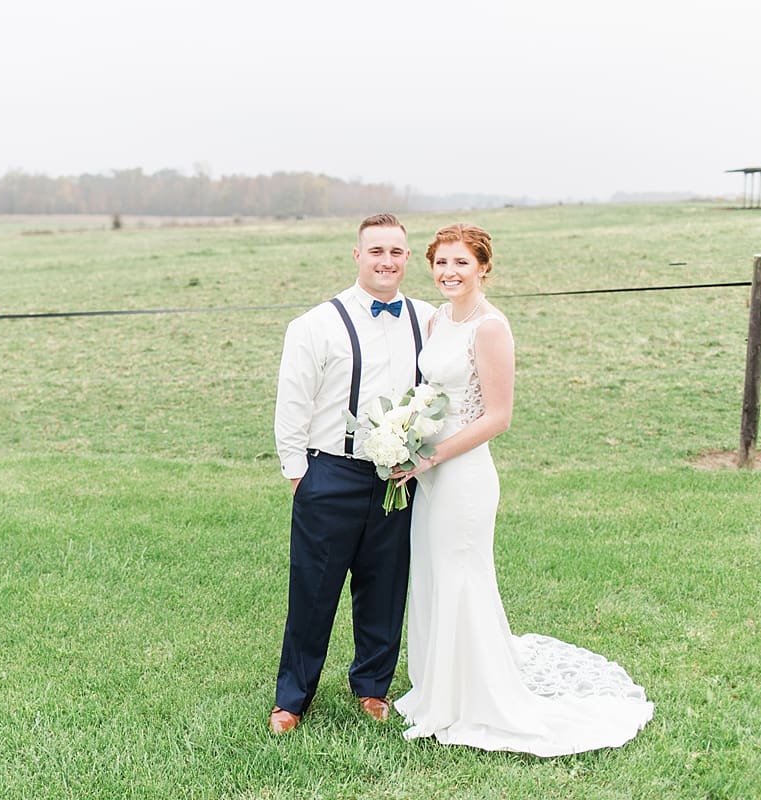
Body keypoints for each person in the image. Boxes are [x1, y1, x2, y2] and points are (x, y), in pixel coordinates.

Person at [389, 223, 653, 755]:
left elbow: (499, 416)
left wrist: (431, 456)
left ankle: (474, 699)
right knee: (435, 573)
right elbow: (433, 391)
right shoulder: (439, 319)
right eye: (441, 263)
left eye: (461, 263)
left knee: (462, 574)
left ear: (483, 267)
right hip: (429, 467)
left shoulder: (490, 327)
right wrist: (407, 434)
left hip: (462, 475)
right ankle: (439, 687)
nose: (449, 273)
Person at [270, 213, 436, 734]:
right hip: (330, 474)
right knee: (313, 591)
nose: (386, 261)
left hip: (399, 477)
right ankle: (292, 699)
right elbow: (292, 402)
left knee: (385, 587)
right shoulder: (315, 324)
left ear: (408, 258)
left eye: (396, 252)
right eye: (376, 251)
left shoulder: (428, 320)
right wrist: (300, 475)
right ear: (357, 256)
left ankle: (372, 687)